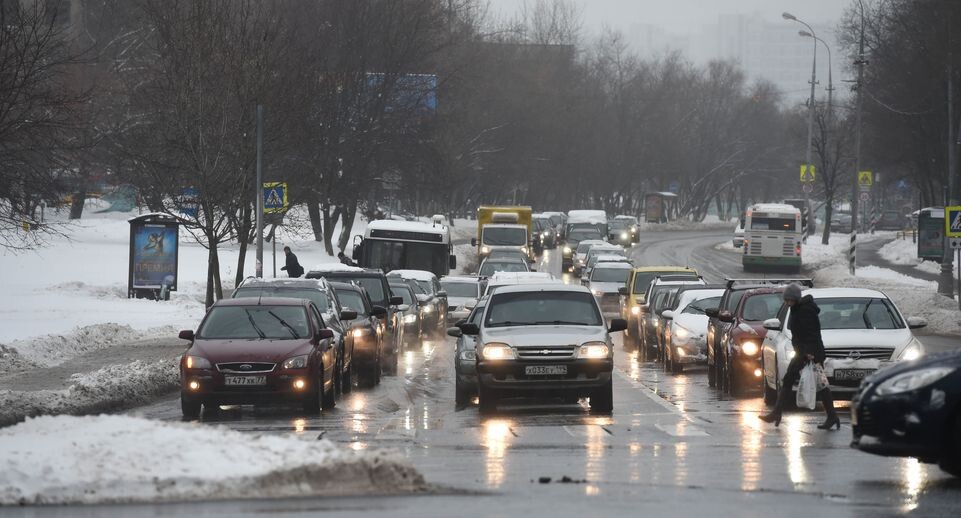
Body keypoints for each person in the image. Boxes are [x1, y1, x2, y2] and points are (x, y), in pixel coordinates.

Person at [759, 283, 839, 430]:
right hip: (803, 351)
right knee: (791, 380)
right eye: (786, 300)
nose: (788, 302)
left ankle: (832, 416)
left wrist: (810, 353)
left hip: (810, 353)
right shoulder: (796, 309)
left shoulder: (806, 310)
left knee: (821, 383)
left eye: (790, 300)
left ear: (796, 299)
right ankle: (777, 412)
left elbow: (812, 333)